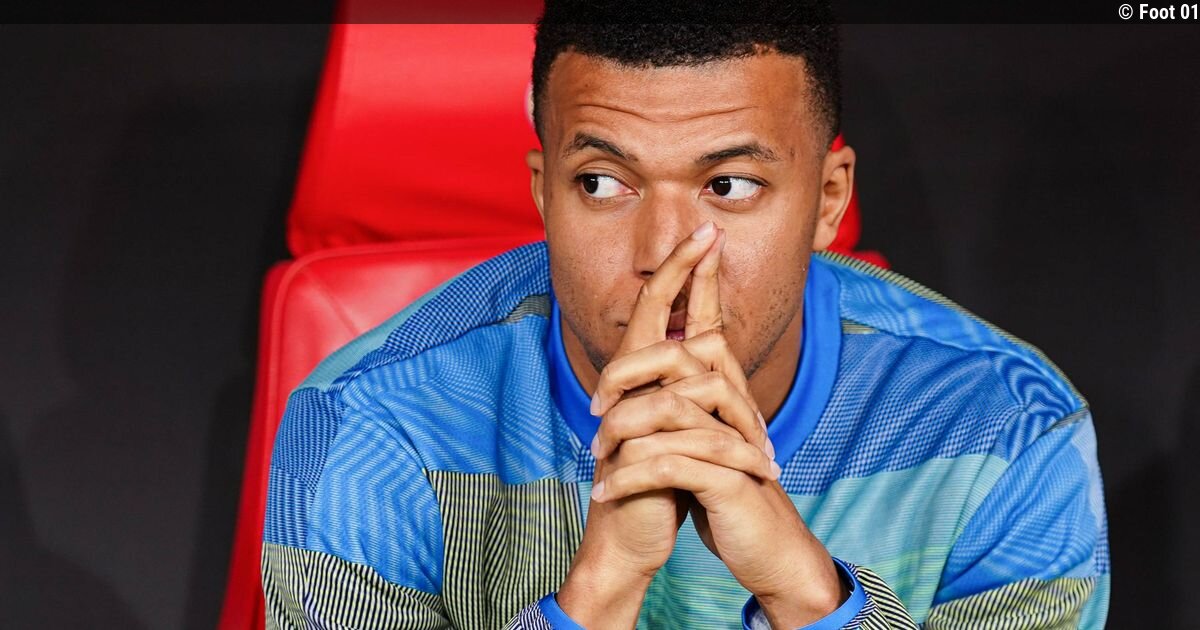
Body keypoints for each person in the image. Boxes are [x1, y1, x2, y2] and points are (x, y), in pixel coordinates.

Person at [261, 4, 1110, 628]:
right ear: (544, 195)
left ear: (828, 199)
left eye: (729, 186)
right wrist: (599, 589)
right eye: (602, 183)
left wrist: (805, 592)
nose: (663, 254)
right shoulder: (365, 425)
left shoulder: (1006, 428)